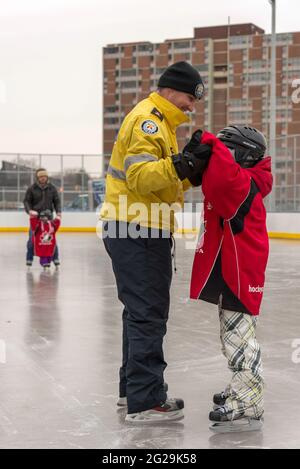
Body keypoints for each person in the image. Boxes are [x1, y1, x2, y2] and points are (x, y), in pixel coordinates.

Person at [100, 61, 211, 423]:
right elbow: (142, 177)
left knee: (139, 312)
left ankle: (131, 391)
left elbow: (161, 184)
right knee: (148, 314)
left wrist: (189, 172)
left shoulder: (160, 123)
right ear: (170, 89)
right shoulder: (147, 120)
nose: (192, 106)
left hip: (140, 226)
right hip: (137, 228)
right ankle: (146, 401)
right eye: (190, 97)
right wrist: (180, 164)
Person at [189, 125, 273, 433]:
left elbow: (221, 185)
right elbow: (214, 183)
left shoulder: (245, 184)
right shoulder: (244, 180)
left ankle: (250, 401)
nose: (218, 159)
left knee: (240, 338)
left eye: (226, 153)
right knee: (231, 336)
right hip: (231, 270)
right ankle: (241, 385)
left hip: (242, 272)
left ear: (244, 156)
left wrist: (209, 142)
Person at [23, 168, 61, 267]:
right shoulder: (32, 188)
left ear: (47, 177)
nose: (42, 178)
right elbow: (26, 201)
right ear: (38, 178)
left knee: (51, 240)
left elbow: (57, 201)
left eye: (44, 176)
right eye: (40, 177)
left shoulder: (52, 188)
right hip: (36, 218)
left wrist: (59, 212)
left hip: (49, 218)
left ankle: (55, 258)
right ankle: (29, 258)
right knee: (32, 239)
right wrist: (30, 210)